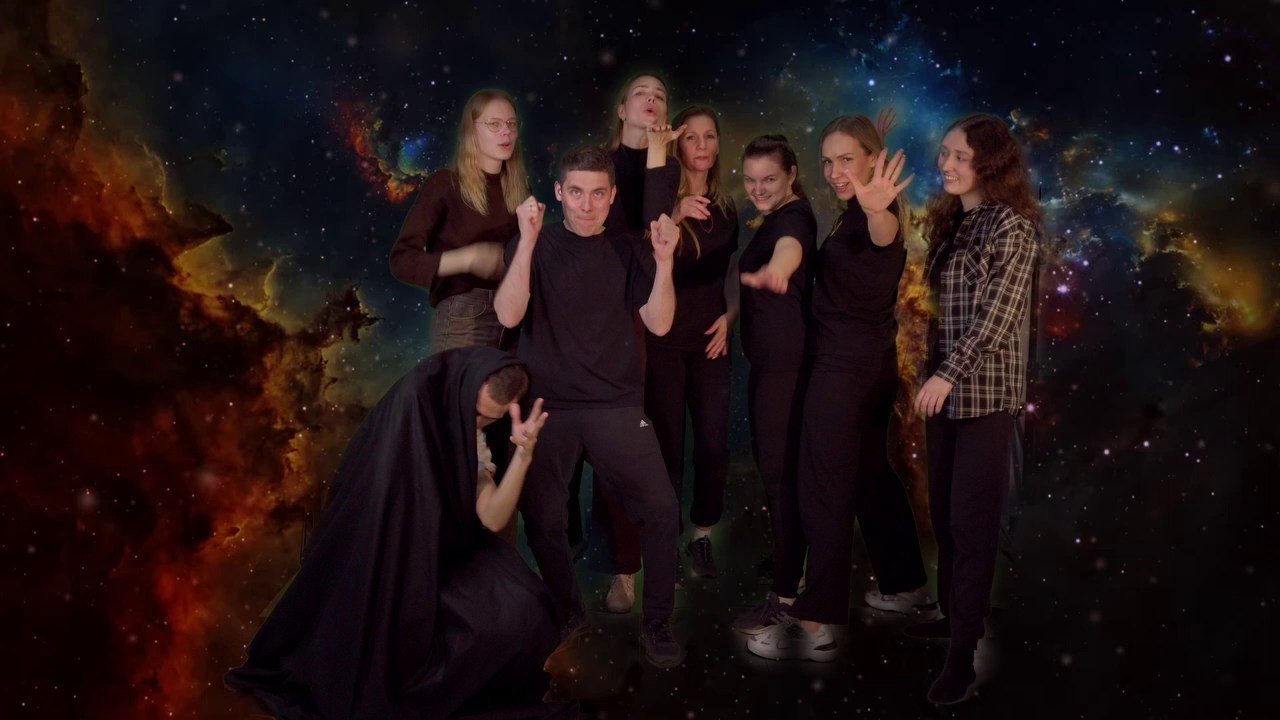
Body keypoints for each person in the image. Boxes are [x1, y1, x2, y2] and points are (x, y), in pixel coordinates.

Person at [225, 347, 577, 719]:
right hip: (389, 559)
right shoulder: (410, 412)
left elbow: (492, 517)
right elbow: (377, 513)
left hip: (448, 552)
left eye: (492, 419)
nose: (480, 424)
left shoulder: (473, 436)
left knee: (525, 606)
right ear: (460, 390)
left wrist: (522, 457)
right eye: (477, 414)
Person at [746, 114, 930, 662]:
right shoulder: (858, 207)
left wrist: (875, 209)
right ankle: (906, 582)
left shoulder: (876, 214)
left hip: (844, 371)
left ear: (873, 160)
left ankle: (817, 616)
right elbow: (865, 213)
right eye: (827, 161)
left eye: (846, 159)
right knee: (871, 474)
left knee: (823, 486)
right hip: (873, 366)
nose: (833, 172)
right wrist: (864, 163)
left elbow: (884, 235)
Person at [495, 145, 685, 667]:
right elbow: (508, 315)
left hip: (615, 404)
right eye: (576, 192)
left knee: (662, 509)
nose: (586, 204)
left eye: (598, 193)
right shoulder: (533, 242)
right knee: (542, 518)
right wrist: (527, 243)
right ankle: (566, 609)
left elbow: (660, 323)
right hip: (547, 406)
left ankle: (657, 623)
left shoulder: (630, 249)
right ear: (559, 192)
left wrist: (665, 263)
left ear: (613, 195)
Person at [911, 113, 1041, 705]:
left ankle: (962, 657)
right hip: (944, 395)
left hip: (984, 396)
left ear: (989, 163)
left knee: (971, 522)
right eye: (945, 153)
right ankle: (955, 615)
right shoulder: (955, 225)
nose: (947, 164)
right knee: (943, 513)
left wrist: (946, 374)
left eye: (960, 156)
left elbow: (997, 318)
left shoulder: (1011, 227)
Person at [588, 72, 684, 612]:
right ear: (622, 108)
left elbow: (654, 229)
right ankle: (622, 568)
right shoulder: (598, 166)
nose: (652, 99)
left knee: (656, 440)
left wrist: (658, 155)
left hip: (655, 312)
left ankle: (662, 556)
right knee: (611, 440)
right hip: (606, 316)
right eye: (642, 92)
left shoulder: (666, 165)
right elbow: (619, 235)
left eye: (661, 95)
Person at [634, 105, 738, 580]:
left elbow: (733, 273)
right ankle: (667, 542)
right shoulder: (661, 197)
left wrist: (731, 316)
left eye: (709, 136)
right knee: (667, 450)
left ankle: (702, 535)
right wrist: (674, 213)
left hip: (710, 346)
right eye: (691, 136)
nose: (701, 145)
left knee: (713, 447)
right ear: (677, 145)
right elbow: (641, 254)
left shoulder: (728, 207)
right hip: (664, 343)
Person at [728, 135, 817, 637]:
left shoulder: (793, 218)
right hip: (773, 367)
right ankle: (790, 561)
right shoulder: (779, 213)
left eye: (769, 180)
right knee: (779, 473)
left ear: (791, 175)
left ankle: (785, 596)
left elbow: (790, 249)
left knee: (780, 476)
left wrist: (778, 272)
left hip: (786, 371)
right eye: (750, 179)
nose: (758, 189)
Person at [390, 89, 529, 353]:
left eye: (511, 124)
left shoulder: (521, 191)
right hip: (463, 318)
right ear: (471, 131)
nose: (506, 132)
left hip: (515, 319)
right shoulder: (444, 184)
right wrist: (467, 259)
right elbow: (402, 261)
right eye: (494, 124)